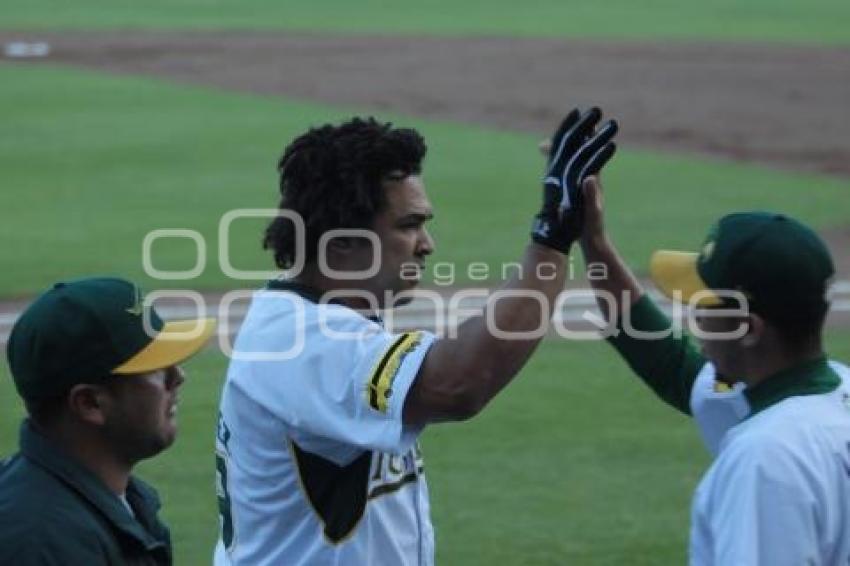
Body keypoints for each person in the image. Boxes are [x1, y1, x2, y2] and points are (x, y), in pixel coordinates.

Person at [213, 110, 618, 565]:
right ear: (341, 241)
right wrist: (553, 236)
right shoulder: (300, 343)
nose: (428, 244)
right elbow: (457, 383)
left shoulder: (321, 321)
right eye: (408, 225)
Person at [576, 175, 850, 565]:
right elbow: (672, 366)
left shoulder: (766, 458)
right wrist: (593, 240)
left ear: (749, 329)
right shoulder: (826, 394)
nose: (693, 316)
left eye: (704, 305)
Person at [0, 276, 216, 565]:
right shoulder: (43, 546)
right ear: (89, 403)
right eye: (156, 369)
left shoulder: (116, 500)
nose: (177, 377)